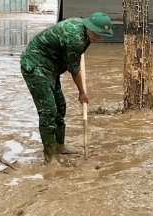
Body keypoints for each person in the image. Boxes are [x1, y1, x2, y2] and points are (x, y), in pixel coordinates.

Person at [20, 13, 114, 162]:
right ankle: (50, 157)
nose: (98, 38)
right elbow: (74, 70)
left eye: (101, 35)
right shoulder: (75, 39)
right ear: (89, 28)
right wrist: (82, 92)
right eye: (96, 34)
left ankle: (59, 147)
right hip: (35, 64)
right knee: (48, 111)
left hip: (51, 67)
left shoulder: (84, 32)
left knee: (60, 106)